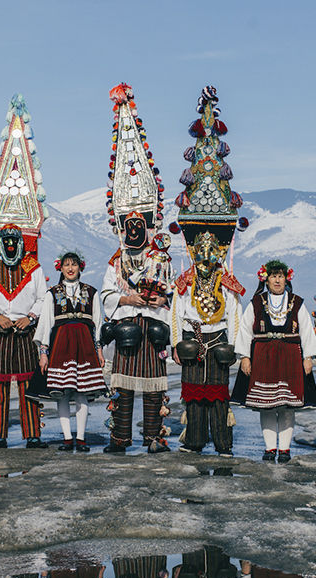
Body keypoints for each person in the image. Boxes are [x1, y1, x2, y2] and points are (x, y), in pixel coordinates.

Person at [169, 86, 248, 458]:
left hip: (217, 343)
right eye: (198, 252)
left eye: (209, 251)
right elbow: (174, 311)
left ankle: (223, 442)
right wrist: (176, 342)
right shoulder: (185, 280)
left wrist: (233, 345)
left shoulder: (226, 282)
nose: (204, 257)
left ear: (217, 251)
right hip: (193, 340)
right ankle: (195, 440)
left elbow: (234, 313)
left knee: (219, 399)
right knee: (193, 399)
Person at [100, 83, 172, 454]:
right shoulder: (117, 260)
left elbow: (169, 291)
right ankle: (120, 437)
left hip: (153, 327)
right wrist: (129, 296)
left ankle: (154, 438)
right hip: (129, 326)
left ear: (147, 225)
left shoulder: (160, 257)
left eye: (138, 225)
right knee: (124, 384)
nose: (133, 230)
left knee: (154, 386)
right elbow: (108, 294)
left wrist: (156, 298)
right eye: (127, 225)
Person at [232, 260, 316, 462]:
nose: (277, 280)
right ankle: (270, 448)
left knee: (287, 405)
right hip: (264, 357)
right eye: (273, 276)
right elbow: (246, 330)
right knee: (267, 405)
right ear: (266, 279)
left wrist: (308, 357)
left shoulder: (297, 302)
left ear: (286, 278)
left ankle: (286, 449)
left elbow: (306, 329)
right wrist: (245, 357)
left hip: (290, 357)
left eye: (281, 276)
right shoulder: (256, 302)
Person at [0, 224, 47, 449]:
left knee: (28, 384)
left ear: (20, 243)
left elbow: (42, 298)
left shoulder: (32, 267)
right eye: (5, 241)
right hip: (0, 331)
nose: (10, 245)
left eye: (14, 241)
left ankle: (33, 435)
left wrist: (31, 317)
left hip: (25, 331)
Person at [34, 251, 106, 452]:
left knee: (82, 392)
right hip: (61, 346)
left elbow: (97, 324)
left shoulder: (92, 292)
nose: (70, 268)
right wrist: (43, 352)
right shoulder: (52, 293)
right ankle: (67, 438)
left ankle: (81, 438)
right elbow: (45, 324)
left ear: (80, 267)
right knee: (63, 393)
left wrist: (99, 349)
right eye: (66, 265)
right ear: (60, 267)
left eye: (74, 264)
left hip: (84, 346)